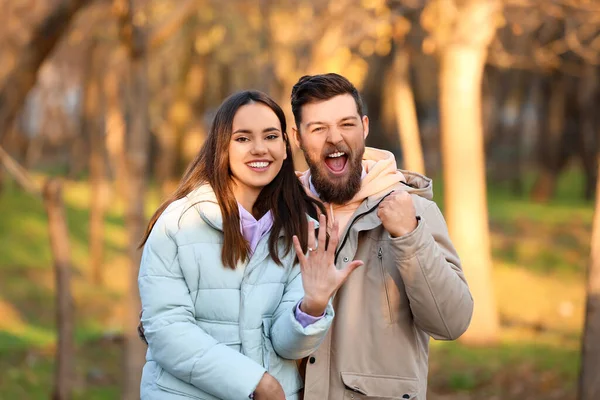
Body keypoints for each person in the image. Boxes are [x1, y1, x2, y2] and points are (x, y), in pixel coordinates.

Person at [137, 90, 363, 400]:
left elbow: (286, 345)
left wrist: (313, 305)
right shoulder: (177, 224)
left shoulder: (304, 229)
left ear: (285, 147)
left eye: (271, 136)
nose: (259, 149)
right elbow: (165, 331)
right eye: (243, 139)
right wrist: (257, 383)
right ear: (221, 147)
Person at [289, 73, 474, 400]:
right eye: (318, 128)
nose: (335, 139)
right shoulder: (280, 215)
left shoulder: (413, 210)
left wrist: (410, 237)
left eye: (346, 124)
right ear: (298, 137)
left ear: (365, 127)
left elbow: (452, 322)